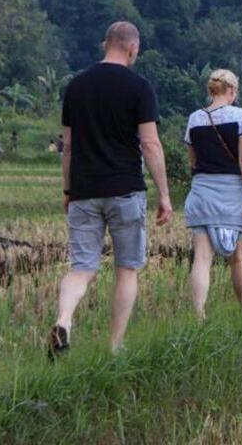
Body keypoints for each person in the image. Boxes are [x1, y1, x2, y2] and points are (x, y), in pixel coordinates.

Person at [49, 21, 172, 358]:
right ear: (132, 48)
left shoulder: (76, 86)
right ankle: (115, 345)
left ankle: (64, 319)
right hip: (125, 190)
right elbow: (150, 144)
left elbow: (69, 147)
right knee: (126, 269)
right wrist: (163, 194)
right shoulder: (139, 86)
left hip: (84, 190)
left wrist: (67, 190)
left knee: (82, 268)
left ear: (107, 44)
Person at [183, 69, 242, 319]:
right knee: (238, 257)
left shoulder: (194, 118)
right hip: (233, 192)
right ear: (232, 91)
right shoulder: (240, 116)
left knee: (202, 258)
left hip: (202, 191)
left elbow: (192, 160)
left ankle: (198, 312)